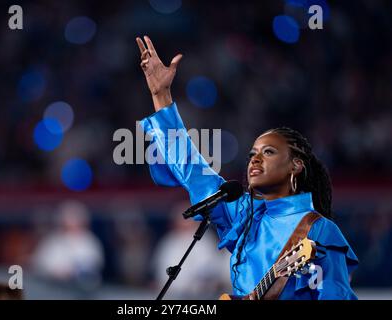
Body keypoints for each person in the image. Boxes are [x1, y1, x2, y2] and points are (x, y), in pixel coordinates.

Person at [135, 35, 358, 300]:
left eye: (269, 152)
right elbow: (192, 169)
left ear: (296, 166)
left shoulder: (319, 230)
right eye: (253, 153)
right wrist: (161, 95)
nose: (255, 159)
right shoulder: (245, 214)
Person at [151, 201, 231, 299]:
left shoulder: (206, 241)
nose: (184, 223)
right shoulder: (168, 242)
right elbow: (161, 274)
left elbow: (212, 270)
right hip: (173, 295)